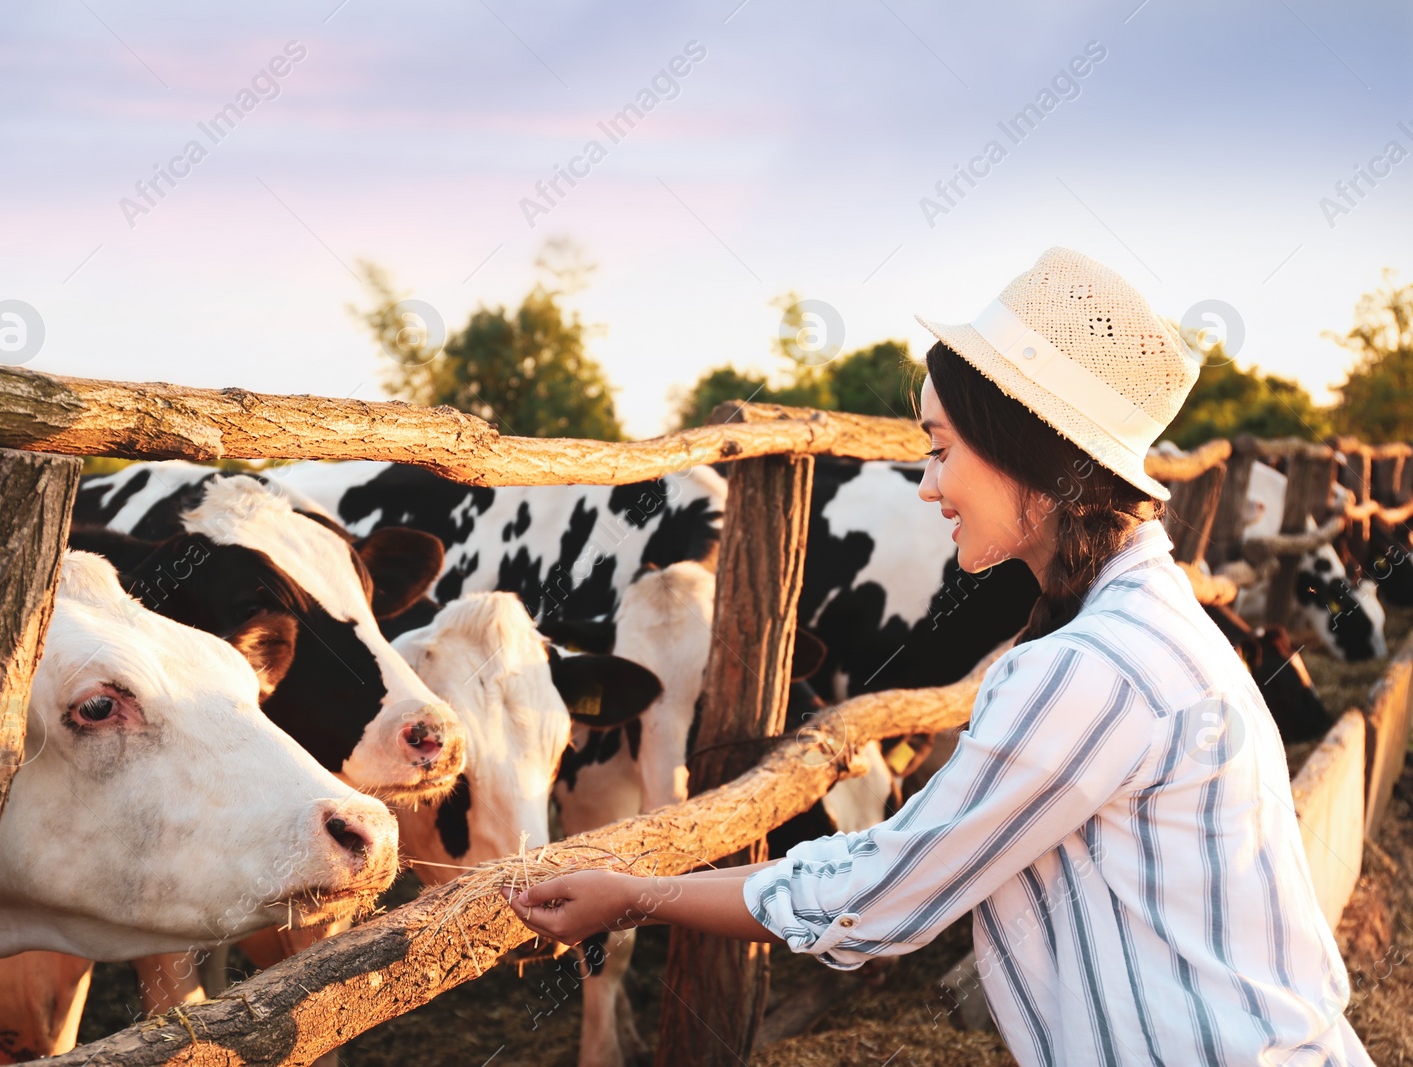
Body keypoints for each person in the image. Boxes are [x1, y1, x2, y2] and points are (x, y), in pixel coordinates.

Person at [502, 247, 1372, 1064]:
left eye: (942, 447)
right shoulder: (1154, 621)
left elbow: (882, 890)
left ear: (1025, 449)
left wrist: (633, 893)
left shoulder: (1092, 665)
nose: (926, 484)